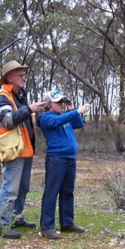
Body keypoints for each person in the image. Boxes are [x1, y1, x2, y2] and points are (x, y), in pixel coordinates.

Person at [0, 61, 45, 239]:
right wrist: (29, 109)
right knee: (10, 189)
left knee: (23, 188)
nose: (23, 78)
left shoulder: (19, 95)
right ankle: (2, 224)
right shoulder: (3, 97)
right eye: (19, 75)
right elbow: (8, 120)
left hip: (25, 149)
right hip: (12, 149)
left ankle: (16, 217)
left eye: (24, 75)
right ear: (9, 78)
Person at [37, 90, 90, 239]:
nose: (61, 105)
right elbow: (57, 122)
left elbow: (78, 123)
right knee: (51, 192)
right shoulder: (45, 117)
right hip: (56, 159)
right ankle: (46, 226)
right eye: (57, 102)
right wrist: (76, 111)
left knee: (68, 191)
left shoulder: (64, 116)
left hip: (69, 158)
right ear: (48, 104)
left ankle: (67, 222)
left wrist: (72, 108)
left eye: (62, 102)